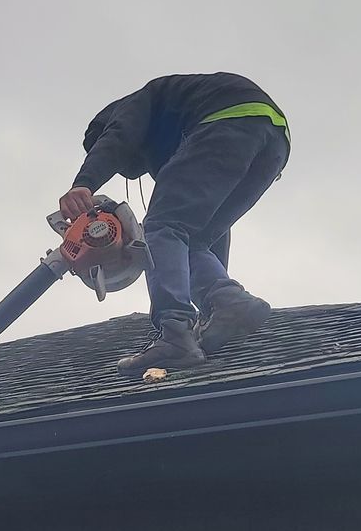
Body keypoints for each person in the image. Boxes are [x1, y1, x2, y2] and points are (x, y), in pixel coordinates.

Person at [59, 72, 288, 374]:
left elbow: (119, 135)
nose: (130, 171)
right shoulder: (175, 133)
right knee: (191, 235)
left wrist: (84, 183)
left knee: (160, 227)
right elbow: (202, 235)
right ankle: (229, 302)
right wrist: (212, 312)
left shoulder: (139, 103)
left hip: (225, 118)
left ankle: (175, 334)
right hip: (272, 140)